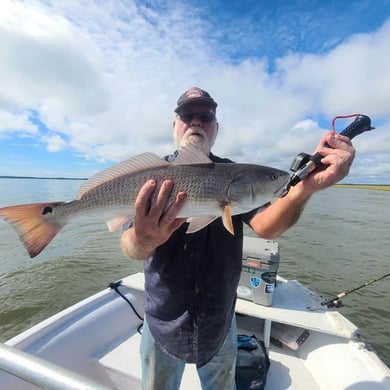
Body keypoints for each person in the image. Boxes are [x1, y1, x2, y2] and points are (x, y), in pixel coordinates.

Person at [120, 87, 355, 389]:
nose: (196, 122)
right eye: (187, 115)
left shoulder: (235, 175)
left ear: (215, 128)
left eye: (205, 116)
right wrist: (143, 236)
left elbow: (266, 227)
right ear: (174, 125)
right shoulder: (150, 177)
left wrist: (304, 188)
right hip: (161, 323)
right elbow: (129, 246)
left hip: (218, 325)